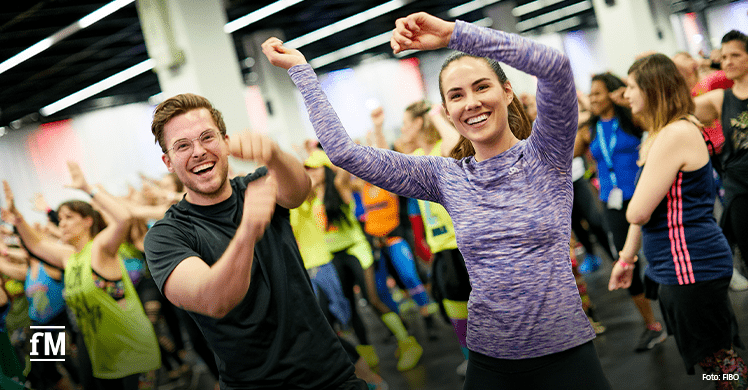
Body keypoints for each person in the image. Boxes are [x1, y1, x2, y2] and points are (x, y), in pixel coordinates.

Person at [262, 11, 611, 389]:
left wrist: (454, 35)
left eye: (482, 87)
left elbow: (555, 66)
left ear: (507, 92)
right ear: (447, 112)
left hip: (566, 354)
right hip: (491, 361)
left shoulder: (546, 153)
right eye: (457, 96)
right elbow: (345, 153)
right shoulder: (446, 176)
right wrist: (301, 70)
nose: (471, 102)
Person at [142, 93, 365, 390]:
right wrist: (247, 233)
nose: (198, 151)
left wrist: (273, 153)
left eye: (207, 137)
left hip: (331, 376)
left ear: (225, 142)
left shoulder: (257, 185)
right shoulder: (166, 236)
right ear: (168, 162)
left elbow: (299, 190)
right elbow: (213, 300)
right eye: (183, 146)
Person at [609, 53, 746, 389]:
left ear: (653, 90)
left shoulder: (674, 134)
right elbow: (647, 214)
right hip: (679, 265)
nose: (626, 95)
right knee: (713, 356)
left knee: (721, 360)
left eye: (631, 86)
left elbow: (637, 212)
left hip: (691, 265)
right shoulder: (662, 134)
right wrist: (626, 258)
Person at [2, 162, 161, 390]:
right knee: (47, 372)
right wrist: (17, 218)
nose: (62, 223)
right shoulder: (68, 257)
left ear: (88, 221)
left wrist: (88, 188)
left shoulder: (100, 248)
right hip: (99, 351)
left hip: (132, 349)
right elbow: (36, 244)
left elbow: (124, 219)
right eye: (61, 218)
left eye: (68, 217)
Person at [578, 72, 666, 351]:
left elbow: (657, 124)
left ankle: (674, 309)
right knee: (626, 261)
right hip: (612, 202)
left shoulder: (632, 119)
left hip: (644, 194)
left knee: (658, 253)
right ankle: (652, 325)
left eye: (598, 93)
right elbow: (568, 152)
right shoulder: (589, 128)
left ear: (613, 93)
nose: (593, 99)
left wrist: (626, 102)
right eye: (590, 94)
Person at [694, 30, 748, 278]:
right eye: (724, 56)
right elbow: (678, 108)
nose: (728, 61)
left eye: (735, 55)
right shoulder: (720, 99)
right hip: (739, 191)